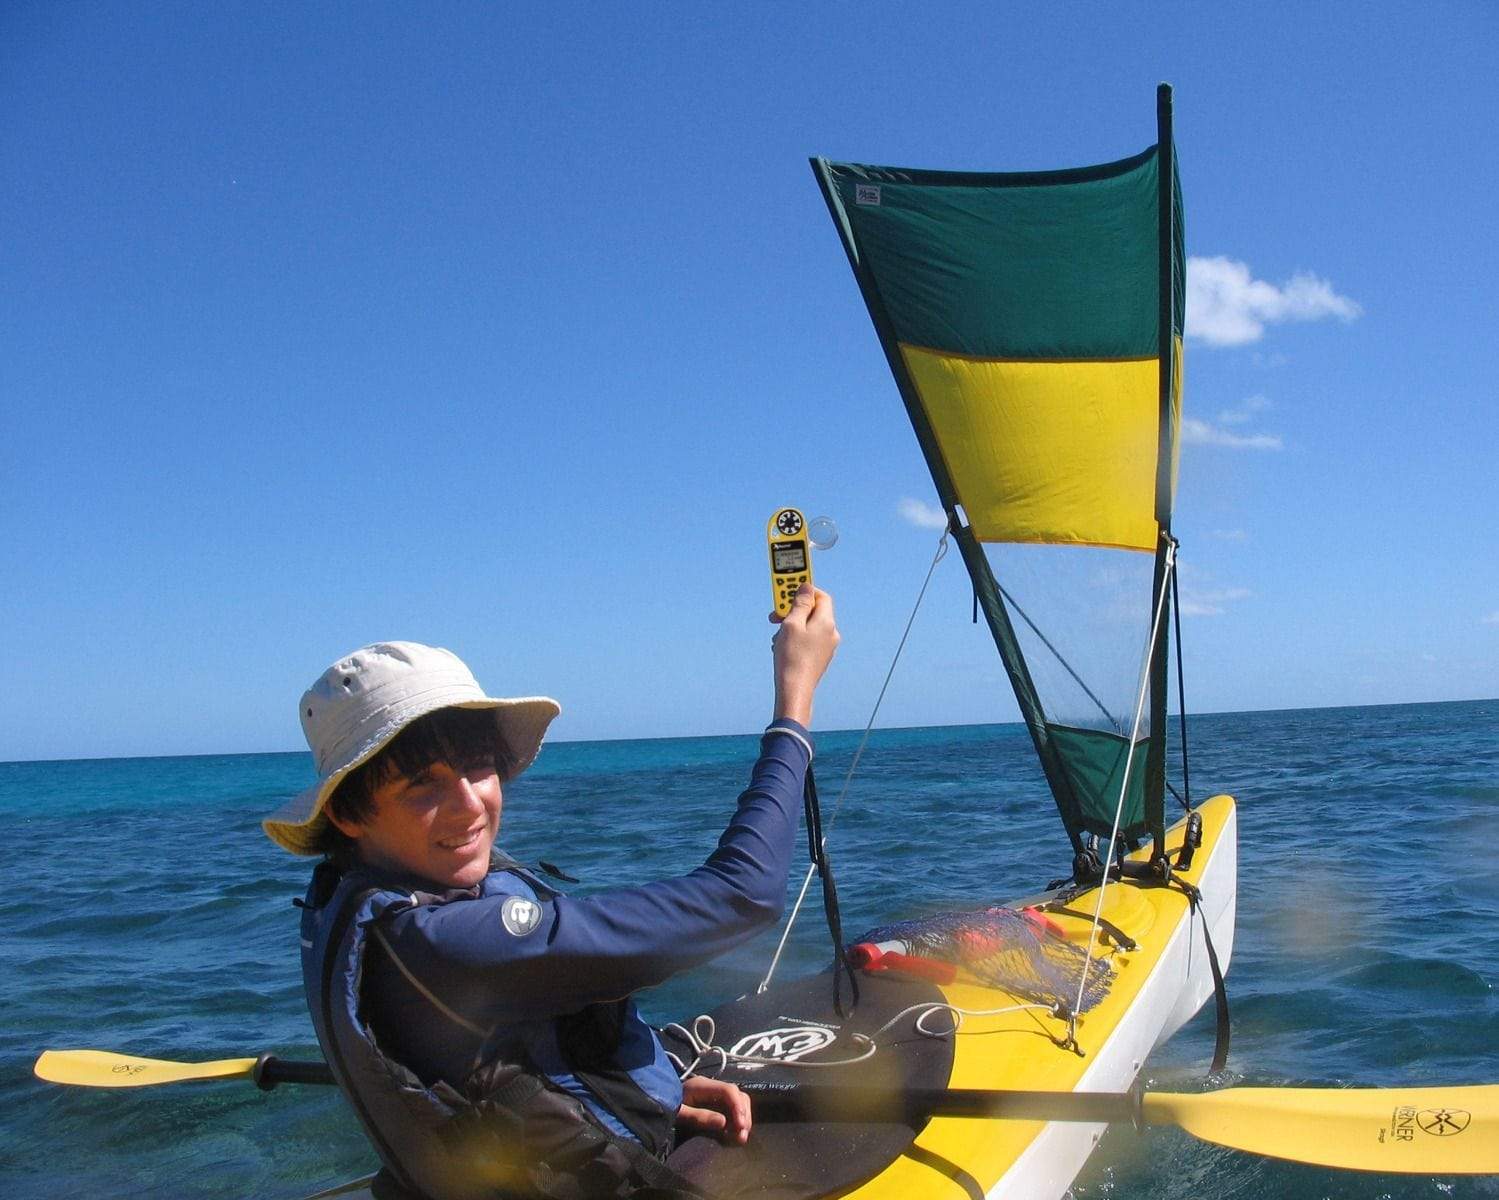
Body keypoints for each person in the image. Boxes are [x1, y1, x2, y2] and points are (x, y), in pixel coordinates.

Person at [261, 585, 839, 1200]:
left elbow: (490, 1056)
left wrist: (657, 1085)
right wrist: (794, 702)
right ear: (347, 814)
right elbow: (744, 894)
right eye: (421, 785)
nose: (469, 805)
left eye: (477, 765)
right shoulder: (439, 941)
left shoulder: (370, 897)